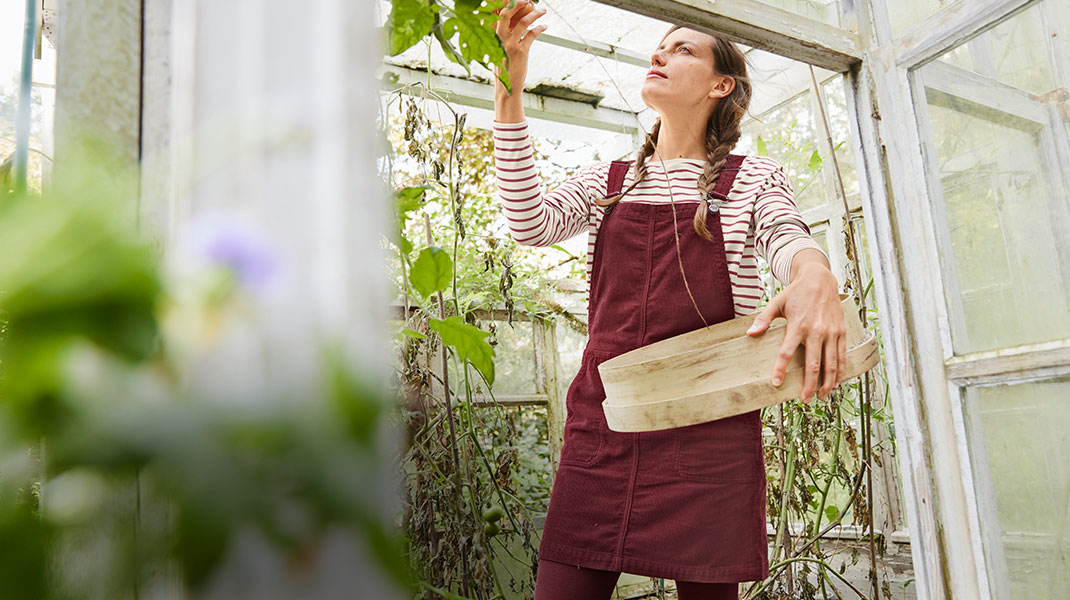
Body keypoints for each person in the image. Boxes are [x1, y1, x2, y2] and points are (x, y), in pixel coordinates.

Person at [492, 2, 847, 598]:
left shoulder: (752, 179)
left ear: (720, 84)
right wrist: (510, 82)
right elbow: (529, 223)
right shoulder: (608, 182)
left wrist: (813, 272)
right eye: (660, 45)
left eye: (683, 48)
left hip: (708, 433)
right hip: (605, 425)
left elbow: (787, 236)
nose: (660, 53)